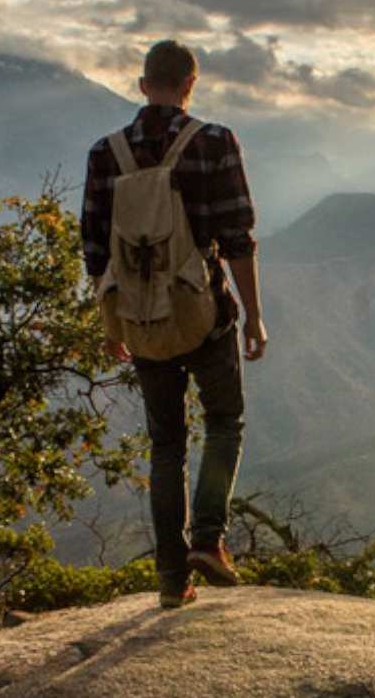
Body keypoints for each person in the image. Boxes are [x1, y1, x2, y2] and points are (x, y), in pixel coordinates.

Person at [80, 39, 267, 609]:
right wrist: (253, 316)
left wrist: (113, 324)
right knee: (225, 421)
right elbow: (236, 236)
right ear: (191, 83)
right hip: (204, 312)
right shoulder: (214, 142)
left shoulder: (104, 153)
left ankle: (170, 581)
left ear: (141, 85)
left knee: (165, 445)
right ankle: (208, 541)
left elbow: (94, 249)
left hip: (142, 317)